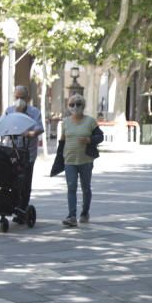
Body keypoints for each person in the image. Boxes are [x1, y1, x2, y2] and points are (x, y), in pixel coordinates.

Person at [59, 95, 101, 227]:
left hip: (86, 160)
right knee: (71, 187)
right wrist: (59, 159)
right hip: (69, 160)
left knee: (85, 188)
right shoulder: (65, 122)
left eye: (78, 104)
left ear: (83, 106)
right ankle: (72, 216)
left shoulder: (90, 121)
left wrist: (89, 140)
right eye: (72, 105)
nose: (75, 107)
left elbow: (100, 136)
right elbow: (62, 140)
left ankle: (84, 213)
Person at [5, 85, 44, 222]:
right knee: (12, 180)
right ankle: (12, 205)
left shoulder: (34, 112)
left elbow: (40, 128)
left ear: (27, 98)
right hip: (12, 151)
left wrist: (30, 133)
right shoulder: (9, 111)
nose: (19, 100)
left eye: (22, 98)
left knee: (25, 182)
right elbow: (5, 127)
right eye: (17, 97)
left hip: (28, 153)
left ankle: (22, 210)